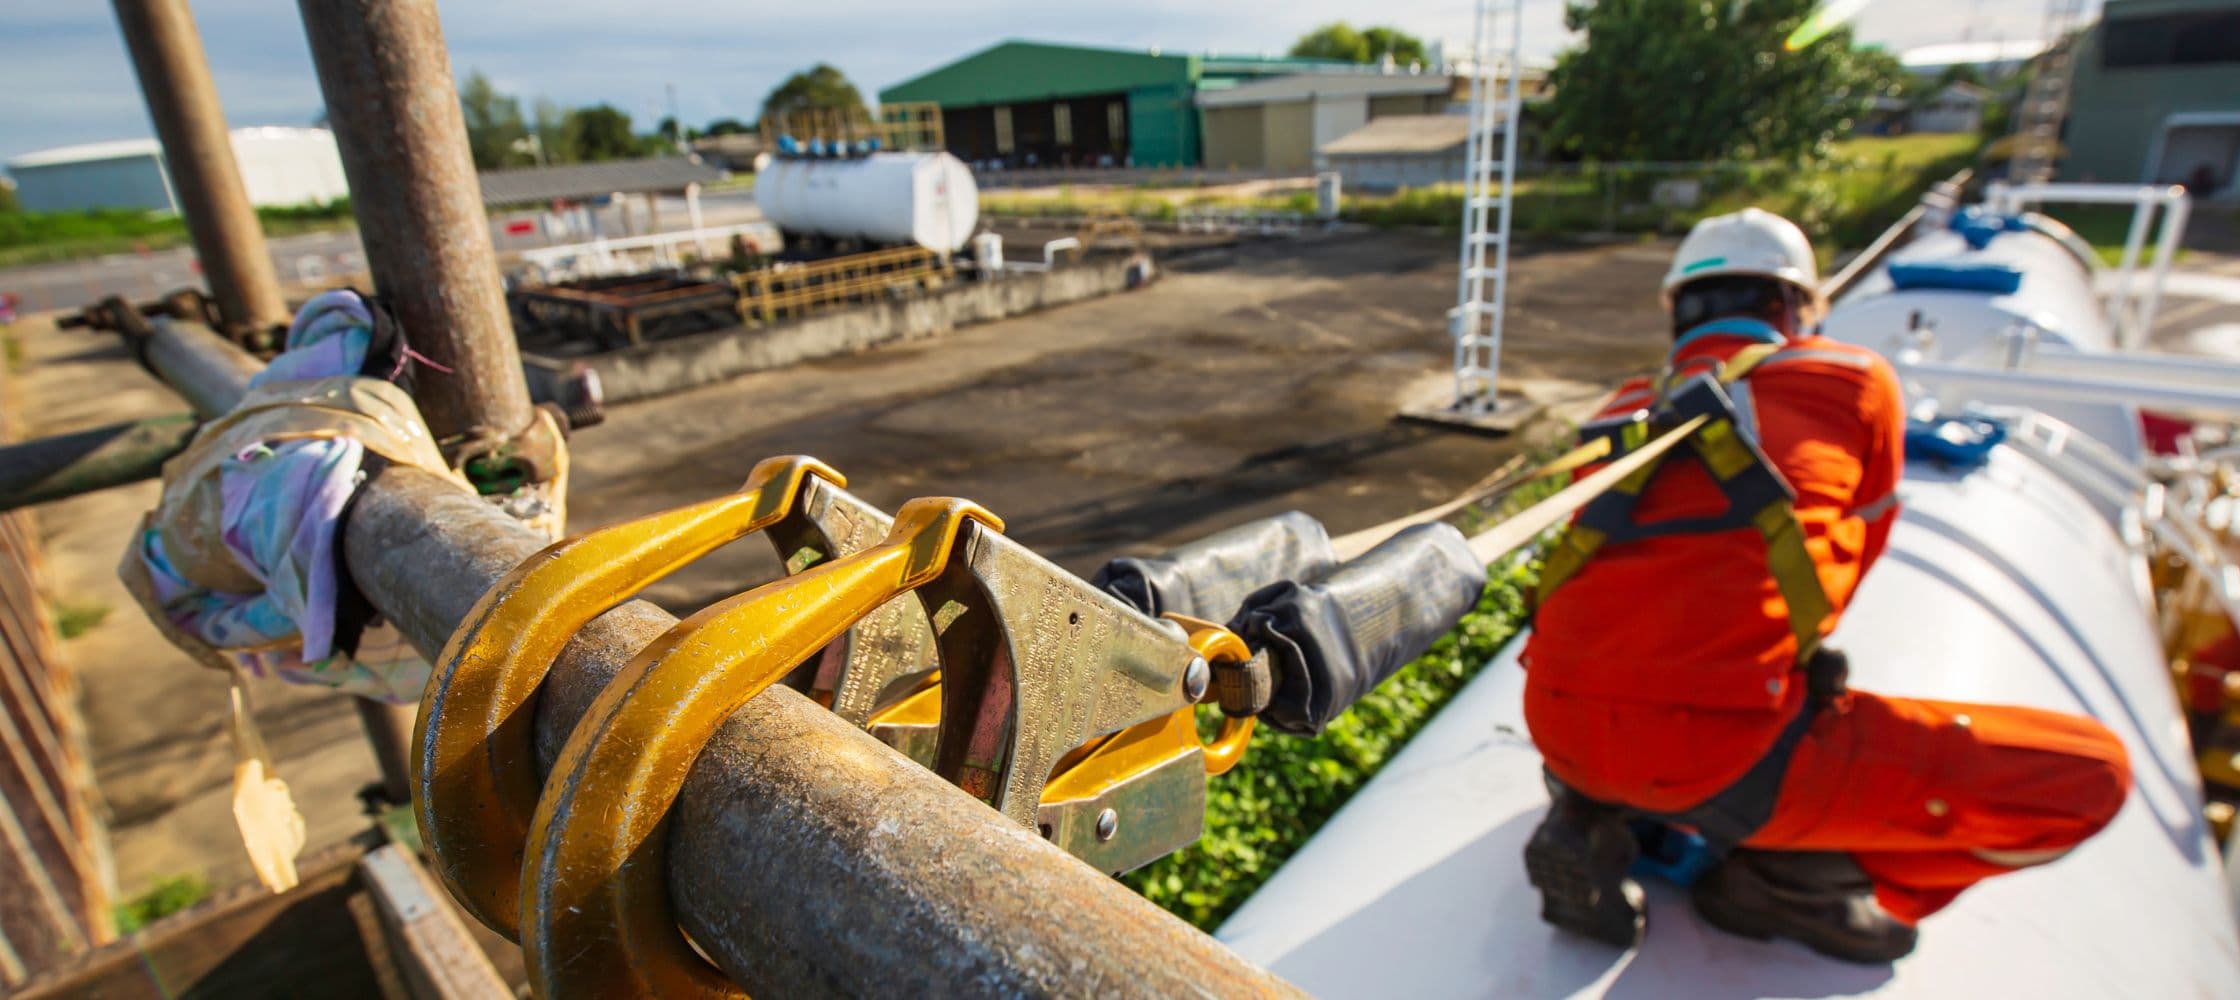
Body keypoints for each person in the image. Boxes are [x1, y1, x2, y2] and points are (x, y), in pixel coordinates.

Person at [1519, 208, 2132, 963]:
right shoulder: (1852, 377)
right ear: (1797, 307)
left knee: (1654, 714)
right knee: (2093, 776)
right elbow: (1841, 571)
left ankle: (1596, 808)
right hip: (1727, 759)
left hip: (1557, 728)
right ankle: (1785, 880)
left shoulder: (1618, 415)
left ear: (1678, 311)